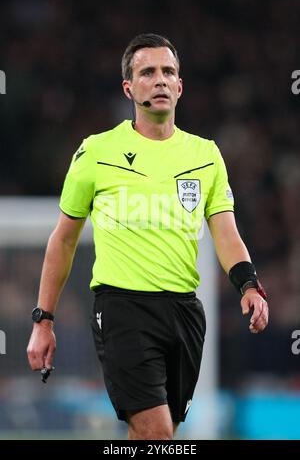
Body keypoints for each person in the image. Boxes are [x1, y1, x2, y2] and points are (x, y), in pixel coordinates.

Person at [27, 33, 269, 440]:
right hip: (122, 309)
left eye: (168, 72)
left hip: (184, 314)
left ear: (179, 86)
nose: (159, 80)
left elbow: (226, 230)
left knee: (151, 436)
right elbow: (63, 239)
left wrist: (248, 284)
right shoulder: (96, 153)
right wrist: (43, 319)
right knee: (158, 435)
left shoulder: (205, 155)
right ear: (129, 88)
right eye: (148, 72)